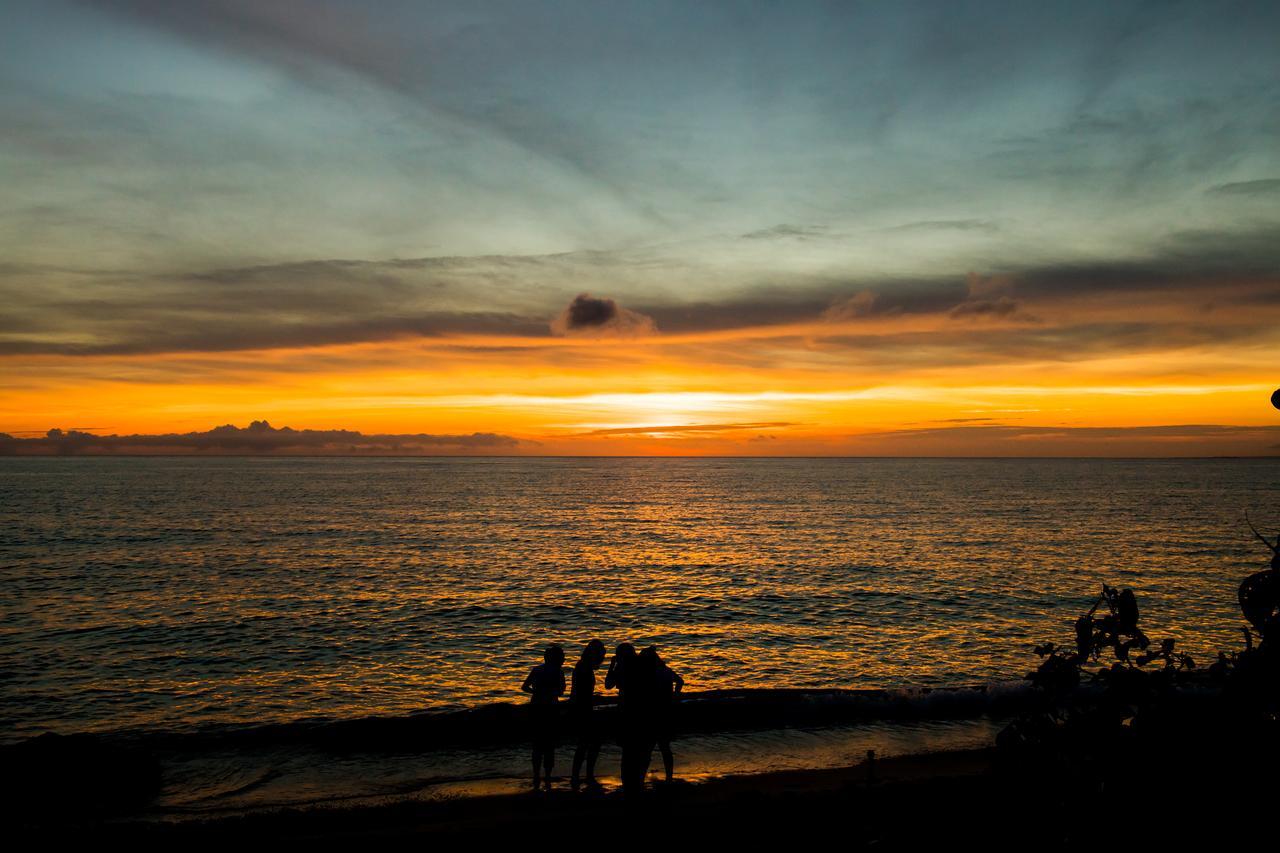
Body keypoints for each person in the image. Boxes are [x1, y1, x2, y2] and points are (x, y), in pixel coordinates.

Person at [521, 645, 565, 789]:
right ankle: (547, 776)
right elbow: (561, 692)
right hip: (551, 709)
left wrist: (536, 692)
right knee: (549, 745)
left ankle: (536, 776)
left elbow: (524, 687)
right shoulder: (558, 671)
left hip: (536, 708)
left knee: (537, 745)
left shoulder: (537, 670)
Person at [570, 639, 607, 790]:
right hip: (582, 709)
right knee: (589, 743)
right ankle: (584, 775)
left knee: (586, 743)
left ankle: (580, 775)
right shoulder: (584, 668)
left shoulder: (582, 666)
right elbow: (580, 692)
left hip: (582, 708)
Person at [651, 648, 685, 782]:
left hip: (654, 711)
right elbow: (680, 681)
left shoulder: (650, 673)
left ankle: (642, 776)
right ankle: (669, 775)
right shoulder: (666, 671)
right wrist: (675, 694)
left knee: (649, 746)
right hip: (666, 710)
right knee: (665, 746)